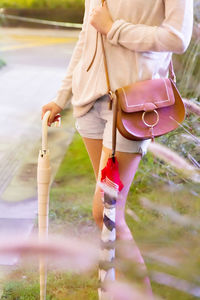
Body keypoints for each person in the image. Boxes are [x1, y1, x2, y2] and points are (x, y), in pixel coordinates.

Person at [42, 0, 193, 295]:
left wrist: (114, 28)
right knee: (109, 216)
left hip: (132, 104)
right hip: (89, 103)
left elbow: (178, 37)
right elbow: (86, 38)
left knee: (107, 213)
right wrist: (61, 97)